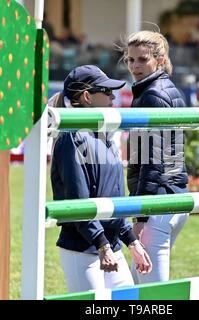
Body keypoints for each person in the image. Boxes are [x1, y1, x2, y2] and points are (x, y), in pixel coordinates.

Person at [49, 65, 152, 293]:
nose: (113, 97)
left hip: (110, 243)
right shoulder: (70, 140)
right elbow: (79, 201)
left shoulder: (104, 135)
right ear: (87, 97)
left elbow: (115, 196)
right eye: (106, 92)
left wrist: (132, 242)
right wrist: (102, 244)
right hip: (82, 248)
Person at [121, 30, 189, 284]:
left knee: (153, 292)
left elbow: (152, 161)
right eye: (131, 60)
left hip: (159, 203)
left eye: (142, 60)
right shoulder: (169, 89)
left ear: (159, 60)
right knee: (137, 284)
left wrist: (141, 215)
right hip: (175, 197)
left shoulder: (151, 95)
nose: (135, 67)